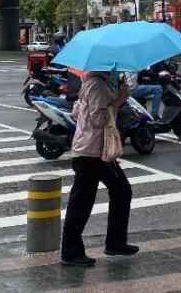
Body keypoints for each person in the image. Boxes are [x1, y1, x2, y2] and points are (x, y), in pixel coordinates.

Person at [61, 70, 136, 267]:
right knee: (83, 202)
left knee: (120, 191)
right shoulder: (97, 85)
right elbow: (98, 120)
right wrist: (119, 99)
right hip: (92, 152)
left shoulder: (94, 82)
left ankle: (116, 243)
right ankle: (71, 252)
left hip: (95, 150)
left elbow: (78, 113)